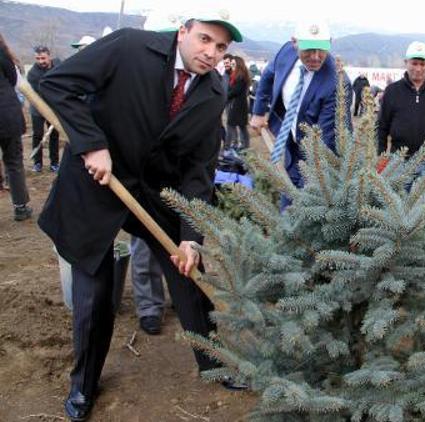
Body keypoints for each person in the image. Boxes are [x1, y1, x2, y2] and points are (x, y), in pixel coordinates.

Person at [37, 13, 244, 420]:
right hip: (99, 182)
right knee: (94, 293)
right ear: (183, 31)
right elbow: (56, 85)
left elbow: (198, 170)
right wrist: (92, 144)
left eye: (221, 47)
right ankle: (84, 385)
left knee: (190, 274)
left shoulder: (214, 92)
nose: (211, 52)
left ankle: (214, 362)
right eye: (204, 39)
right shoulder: (129, 47)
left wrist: (191, 235)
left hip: (153, 192)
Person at [250, 20, 346, 197]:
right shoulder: (285, 53)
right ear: (294, 43)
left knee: (298, 196)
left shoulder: (334, 82)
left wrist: (304, 188)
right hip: (289, 138)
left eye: (321, 49)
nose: (316, 57)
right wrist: (258, 112)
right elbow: (267, 76)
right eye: (309, 49)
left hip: (316, 149)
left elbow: (325, 140)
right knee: (287, 191)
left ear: (330, 43)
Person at [377, 41, 425, 156]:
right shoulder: (392, 91)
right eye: (414, 63)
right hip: (397, 162)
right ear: (406, 62)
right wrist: (380, 157)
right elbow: (381, 127)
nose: (418, 68)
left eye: (422, 64)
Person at [0, 32, 32, 221]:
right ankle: (20, 207)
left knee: (13, 161)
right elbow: (13, 79)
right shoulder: (3, 54)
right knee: (14, 162)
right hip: (7, 114)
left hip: (7, 114)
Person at [27, 45, 62, 173]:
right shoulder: (33, 74)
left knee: (54, 134)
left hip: (54, 106)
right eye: (38, 58)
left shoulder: (58, 64)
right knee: (38, 134)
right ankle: (38, 163)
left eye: (43, 58)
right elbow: (44, 93)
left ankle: (54, 163)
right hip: (38, 107)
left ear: (49, 56)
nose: (41, 61)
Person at [226, 56, 251, 150]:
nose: (232, 67)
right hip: (238, 104)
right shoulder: (236, 75)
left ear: (239, 65)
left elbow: (235, 91)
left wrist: (225, 96)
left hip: (238, 105)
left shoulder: (240, 76)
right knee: (241, 126)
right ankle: (244, 146)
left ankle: (229, 146)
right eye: (231, 64)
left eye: (234, 65)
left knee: (231, 125)